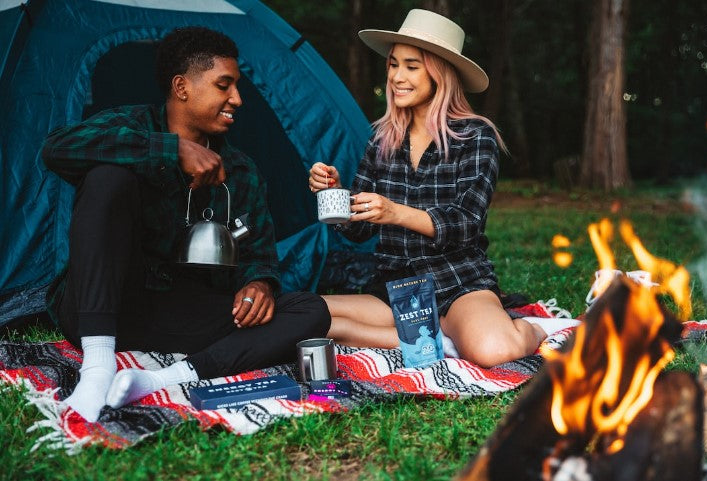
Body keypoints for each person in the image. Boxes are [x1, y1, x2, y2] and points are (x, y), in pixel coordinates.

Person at [42, 26, 330, 422]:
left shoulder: (241, 170)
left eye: (237, 87)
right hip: (99, 304)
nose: (237, 99)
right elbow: (56, 148)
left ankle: (163, 379)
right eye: (224, 86)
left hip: (177, 313)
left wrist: (259, 283)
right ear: (182, 87)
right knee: (108, 177)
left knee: (310, 310)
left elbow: (260, 254)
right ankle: (97, 368)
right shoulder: (132, 126)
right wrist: (169, 149)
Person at [309, 9, 568, 368]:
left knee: (495, 350)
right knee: (307, 315)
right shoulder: (382, 140)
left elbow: (465, 223)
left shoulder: (476, 137)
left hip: (457, 282)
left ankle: (530, 328)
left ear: (440, 73)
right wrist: (334, 194)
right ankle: (441, 340)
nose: (397, 76)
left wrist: (395, 212)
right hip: (395, 289)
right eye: (393, 64)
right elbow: (359, 230)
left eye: (411, 66)